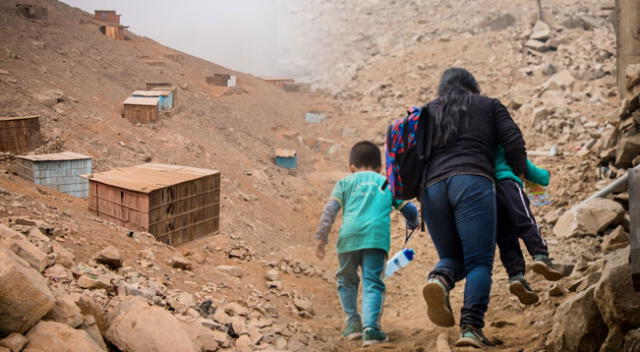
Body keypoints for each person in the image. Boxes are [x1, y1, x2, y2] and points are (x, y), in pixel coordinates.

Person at [420, 68, 527, 349]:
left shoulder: (427, 111)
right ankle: (471, 328)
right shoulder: (488, 105)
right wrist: (518, 176)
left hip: (431, 190)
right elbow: (514, 141)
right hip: (472, 182)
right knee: (479, 261)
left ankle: (439, 280)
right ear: (473, 86)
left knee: (453, 257)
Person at [313, 141, 419, 346]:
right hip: (375, 240)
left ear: (351, 167)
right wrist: (413, 222)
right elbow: (410, 210)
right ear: (379, 167)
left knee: (346, 280)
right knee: (372, 282)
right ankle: (370, 329)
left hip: (348, 239)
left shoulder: (344, 183)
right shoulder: (387, 182)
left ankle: (352, 324)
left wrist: (321, 238)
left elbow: (330, 211)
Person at [494, 147, 564, 305]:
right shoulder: (507, 148)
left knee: (505, 238)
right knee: (526, 223)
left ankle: (516, 276)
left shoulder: (480, 148)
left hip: (489, 192)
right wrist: (545, 175)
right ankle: (540, 256)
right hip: (509, 185)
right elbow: (537, 174)